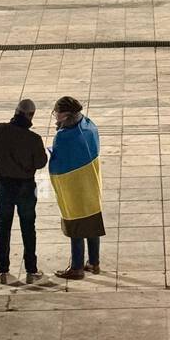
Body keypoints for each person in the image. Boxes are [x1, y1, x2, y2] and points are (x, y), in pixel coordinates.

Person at [0, 98, 48, 285]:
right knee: (28, 226)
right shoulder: (33, 139)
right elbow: (41, 162)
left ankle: (3, 269)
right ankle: (31, 269)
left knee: (3, 225)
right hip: (25, 187)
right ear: (31, 115)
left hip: (2, 185)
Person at [49, 96, 105, 280]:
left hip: (75, 188)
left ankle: (77, 267)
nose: (55, 117)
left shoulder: (64, 137)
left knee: (76, 227)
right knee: (92, 223)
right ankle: (94, 263)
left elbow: (57, 163)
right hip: (92, 184)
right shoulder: (89, 125)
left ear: (65, 115)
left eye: (56, 113)